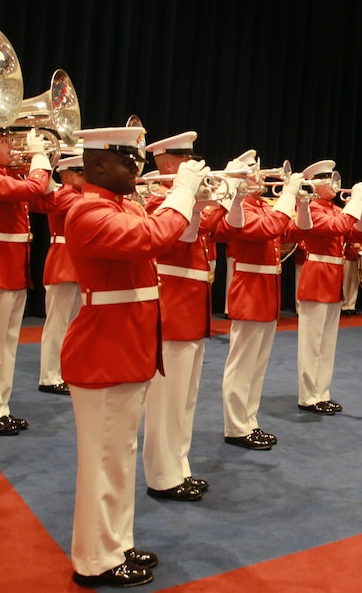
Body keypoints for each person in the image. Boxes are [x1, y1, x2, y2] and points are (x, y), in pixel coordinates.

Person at [60, 124, 209, 587]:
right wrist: (182, 191)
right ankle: (94, 559)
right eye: (129, 161)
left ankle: (115, 544)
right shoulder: (88, 212)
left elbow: (156, 231)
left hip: (124, 348)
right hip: (104, 350)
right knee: (103, 461)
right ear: (98, 164)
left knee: (118, 457)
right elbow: (152, 238)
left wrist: (192, 203)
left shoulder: (118, 206)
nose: (138, 168)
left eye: (139, 160)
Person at [141, 131, 243, 501]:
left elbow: (225, 228)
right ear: (167, 164)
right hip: (172, 307)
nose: (192, 165)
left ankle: (178, 466)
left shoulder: (182, 201)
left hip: (191, 309)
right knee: (166, 400)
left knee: (185, 398)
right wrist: (195, 201)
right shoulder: (158, 199)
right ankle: (161, 475)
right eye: (185, 160)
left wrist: (233, 192)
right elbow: (179, 236)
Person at [0, 125, 57, 436]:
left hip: (12, 266)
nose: (10, 145)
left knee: (6, 346)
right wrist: (38, 158)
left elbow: (47, 202)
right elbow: (32, 190)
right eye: (3, 141)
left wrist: (45, 164)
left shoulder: (9, 175)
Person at [215, 150, 305, 449]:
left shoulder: (262, 205)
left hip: (266, 290)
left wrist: (303, 204)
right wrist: (289, 193)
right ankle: (236, 426)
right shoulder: (242, 210)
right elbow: (268, 229)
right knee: (242, 364)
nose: (260, 177)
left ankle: (249, 421)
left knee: (257, 365)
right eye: (252, 173)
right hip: (250, 288)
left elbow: (296, 229)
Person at [293, 161, 362, 414]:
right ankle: (308, 396)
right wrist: (354, 202)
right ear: (315, 184)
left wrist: (361, 207)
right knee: (312, 343)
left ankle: (322, 392)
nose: (334, 183)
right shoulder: (312, 208)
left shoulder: (336, 208)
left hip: (333, 278)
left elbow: (358, 235)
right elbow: (335, 228)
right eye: (327, 179)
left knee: (327, 343)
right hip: (317, 276)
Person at [36, 152, 86, 395]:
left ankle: (64, 370)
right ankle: (49, 375)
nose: (85, 177)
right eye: (80, 172)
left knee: (73, 322)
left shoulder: (77, 195)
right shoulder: (64, 195)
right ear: (66, 175)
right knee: (58, 323)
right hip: (63, 260)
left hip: (75, 262)